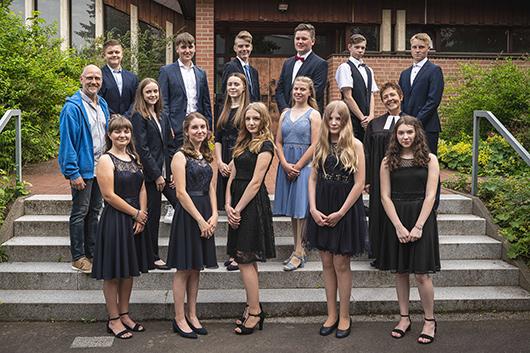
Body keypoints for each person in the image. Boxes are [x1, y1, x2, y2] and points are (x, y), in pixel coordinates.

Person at [303, 101, 369, 339]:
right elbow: (312, 179)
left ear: (345, 121)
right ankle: (331, 314)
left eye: (338, 119)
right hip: (321, 206)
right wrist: (312, 208)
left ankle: (344, 316)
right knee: (327, 263)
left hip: (345, 208)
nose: (333, 123)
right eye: (330, 118)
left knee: (342, 264)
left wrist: (341, 212)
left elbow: (359, 184)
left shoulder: (355, 145)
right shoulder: (320, 144)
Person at [377, 115, 440, 344]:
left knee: (421, 274)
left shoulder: (430, 159)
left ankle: (430, 321)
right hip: (397, 219)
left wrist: (418, 226)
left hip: (421, 218)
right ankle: (404, 318)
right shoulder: (387, 161)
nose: (405, 137)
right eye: (401, 133)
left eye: (409, 132)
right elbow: (384, 196)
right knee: (401, 271)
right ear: (396, 135)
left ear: (417, 134)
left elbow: (431, 195)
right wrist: (399, 227)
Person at [91, 115, 153, 339]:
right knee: (114, 273)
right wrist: (135, 213)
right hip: (116, 220)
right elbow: (108, 195)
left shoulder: (133, 157)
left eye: (126, 131)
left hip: (136, 220)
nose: (123, 135)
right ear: (110, 135)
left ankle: (125, 314)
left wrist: (141, 216)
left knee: (128, 272)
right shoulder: (105, 160)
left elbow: (143, 188)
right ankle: (114, 319)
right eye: (117, 131)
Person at [166, 112, 218, 339]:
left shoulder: (207, 154)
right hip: (189, 215)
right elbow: (180, 192)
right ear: (186, 131)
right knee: (184, 268)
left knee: (196, 267)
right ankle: (179, 318)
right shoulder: (180, 156)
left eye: (203, 127)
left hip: (206, 210)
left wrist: (215, 214)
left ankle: (192, 314)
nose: (199, 131)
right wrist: (199, 219)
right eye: (195, 127)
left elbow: (212, 187)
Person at [225, 102, 276, 335]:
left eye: (256, 118)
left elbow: (256, 182)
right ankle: (251, 308)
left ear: (264, 120)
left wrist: (238, 209)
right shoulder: (242, 142)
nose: (251, 122)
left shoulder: (266, 145)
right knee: (247, 260)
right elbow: (232, 175)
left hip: (252, 204)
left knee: (244, 260)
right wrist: (227, 204)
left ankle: (255, 312)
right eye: (248, 119)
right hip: (236, 200)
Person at [59, 64, 110, 274]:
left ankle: (92, 253)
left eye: (97, 78)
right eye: (89, 78)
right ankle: (77, 257)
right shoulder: (72, 107)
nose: (93, 82)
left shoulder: (102, 104)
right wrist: (73, 172)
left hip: (101, 170)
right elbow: (67, 142)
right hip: (83, 170)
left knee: (94, 212)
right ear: (81, 79)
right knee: (80, 212)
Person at [159, 31, 213, 222]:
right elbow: (162, 101)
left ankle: (196, 201)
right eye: (183, 47)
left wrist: (209, 127)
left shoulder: (201, 73)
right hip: (176, 126)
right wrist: (167, 125)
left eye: (190, 47)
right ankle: (172, 205)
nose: (187, 50)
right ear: (177, 49)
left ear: (194, 49)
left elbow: (205, 101)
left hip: (197, 126)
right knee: (176, 166)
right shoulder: (167, 71)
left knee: (196, 163)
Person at [273, 76, 321, 271]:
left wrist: (298, 166)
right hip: (286, 164)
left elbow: (316, 144)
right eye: (296, 89)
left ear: (310, 92)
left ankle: (301, 252)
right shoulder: (285, 113)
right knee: (293, 211)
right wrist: (284, 163)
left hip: (305, 164)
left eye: (303, 89)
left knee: (302, 209)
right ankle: (296, 249)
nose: (299, 92)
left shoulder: (314, 114)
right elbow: (278, 142)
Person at [131, 78, 178, 270]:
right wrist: (157, 175)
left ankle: (181, 249)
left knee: (181, 204)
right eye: (148, 92)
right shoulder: (138, 116)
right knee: (152, 215)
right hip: (151, 176)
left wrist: (172, 171)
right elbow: (142, 149)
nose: (152, 95)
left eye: (155, 92)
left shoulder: (162, 116)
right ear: (142, 95)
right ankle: (152, 256)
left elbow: (170, 145)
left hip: (166, 173)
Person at [398, 33, 443, 209]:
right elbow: (402, 99)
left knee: (429, 165)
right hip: (406, 127)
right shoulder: (404, 73)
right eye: (415, 47)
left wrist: (414, 123)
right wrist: (404, 122)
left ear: (428, 48)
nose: (417, 50)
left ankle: (433, 205)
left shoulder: (434, 70)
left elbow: (433, 100)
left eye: (421, 47)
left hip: (427, 127)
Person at [364, 82, 406, 263]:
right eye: (386, 97)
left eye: (393, 95)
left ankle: (400, 253)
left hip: (403, 178)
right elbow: (366, 152)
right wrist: (367, 179)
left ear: (401, 97)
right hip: (378, 177)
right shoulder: (375, 124)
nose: (390, 99)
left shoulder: (411, 121)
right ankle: (380, 254)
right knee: (379, 212)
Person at [215, 72, 251, 272]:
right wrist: (220, 162)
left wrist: (235, 163)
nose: (232, 87)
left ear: (244, 87)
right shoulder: (223, 108)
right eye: (229, 84)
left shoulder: (248, 109)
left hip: (242, 160)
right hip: (225, 162)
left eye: (236, 84)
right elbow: (218, 139)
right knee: (229, 209)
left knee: (240, 208)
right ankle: (232, 251)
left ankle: (241, 253)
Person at [275, 23, 328, 113]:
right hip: (287, 114)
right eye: (297, 38)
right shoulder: (287, 63)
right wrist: (285, 109)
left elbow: (316, 92)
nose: (300, 42)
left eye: (304, 39)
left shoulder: (320, 64)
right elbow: (279, 89)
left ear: (313, 41)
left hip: (309, 114)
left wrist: (297, 109)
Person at [335, 34, 378, 142]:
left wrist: (371, 116)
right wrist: (362, 118)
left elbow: (371, 94)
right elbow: (347, 97)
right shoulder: (345, 67)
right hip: (351, 119)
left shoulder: (369, 70)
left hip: (367, 120)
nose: (360, 50)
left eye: (363, 48)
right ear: (349, 47)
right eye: (357, 47)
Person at [98, 39, 139, 118]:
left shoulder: (132, 78)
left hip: (129, 123)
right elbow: (98, 99)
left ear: (122, 54)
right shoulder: (98, 76)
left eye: (117, 52)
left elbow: (136, 100)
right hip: (107, 122)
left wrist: (125, 117)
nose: (114, 55)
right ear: (104, 55)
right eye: (110, 53)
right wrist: (112, 116)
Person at [222, 31, 260, 103]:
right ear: (235, 48)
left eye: (247, 46)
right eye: (240, 46)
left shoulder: (254, 71)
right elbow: (226, 93)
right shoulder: (230, 67)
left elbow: (256, 95)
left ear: (251, 47)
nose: (244, 49)